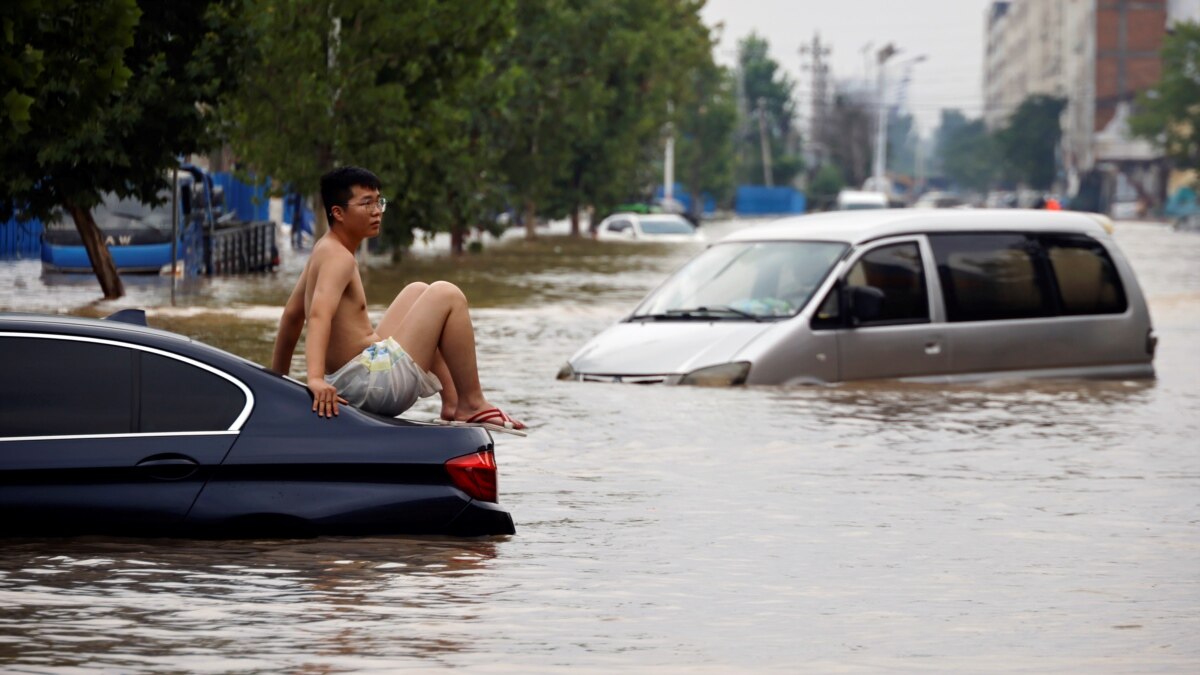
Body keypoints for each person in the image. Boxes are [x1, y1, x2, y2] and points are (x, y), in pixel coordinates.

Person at [270, 166, 525, 436]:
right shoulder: (338, 258)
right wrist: (315, 379)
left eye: (378, 201)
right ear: (338, 213)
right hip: (369, 384)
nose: (377, 211)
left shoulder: (323, 249)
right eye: (365, 203)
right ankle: (472, 403)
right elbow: (319, 314)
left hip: (358, 376)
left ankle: (452, 403)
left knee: (417, 292)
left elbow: (292, 317)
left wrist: (274, 386)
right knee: (446, 294)